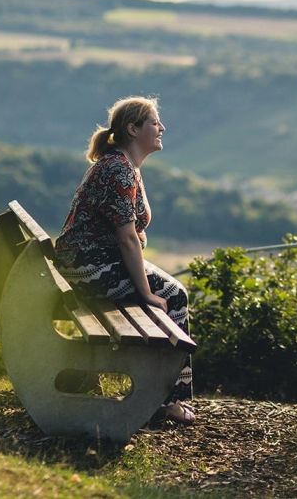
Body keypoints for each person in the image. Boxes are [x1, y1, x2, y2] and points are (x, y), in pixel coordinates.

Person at [54, 96, 195, 426]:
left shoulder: (124, 165)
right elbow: (127, 238)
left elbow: (129, 233)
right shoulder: (118, 169)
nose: (162, 128)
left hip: (92, 263)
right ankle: (171, 400)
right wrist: (146, 294)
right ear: (133, 129)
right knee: (174, 297)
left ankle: (162, 393)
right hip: (89, 269)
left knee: (171, 292)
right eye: (154, 122)